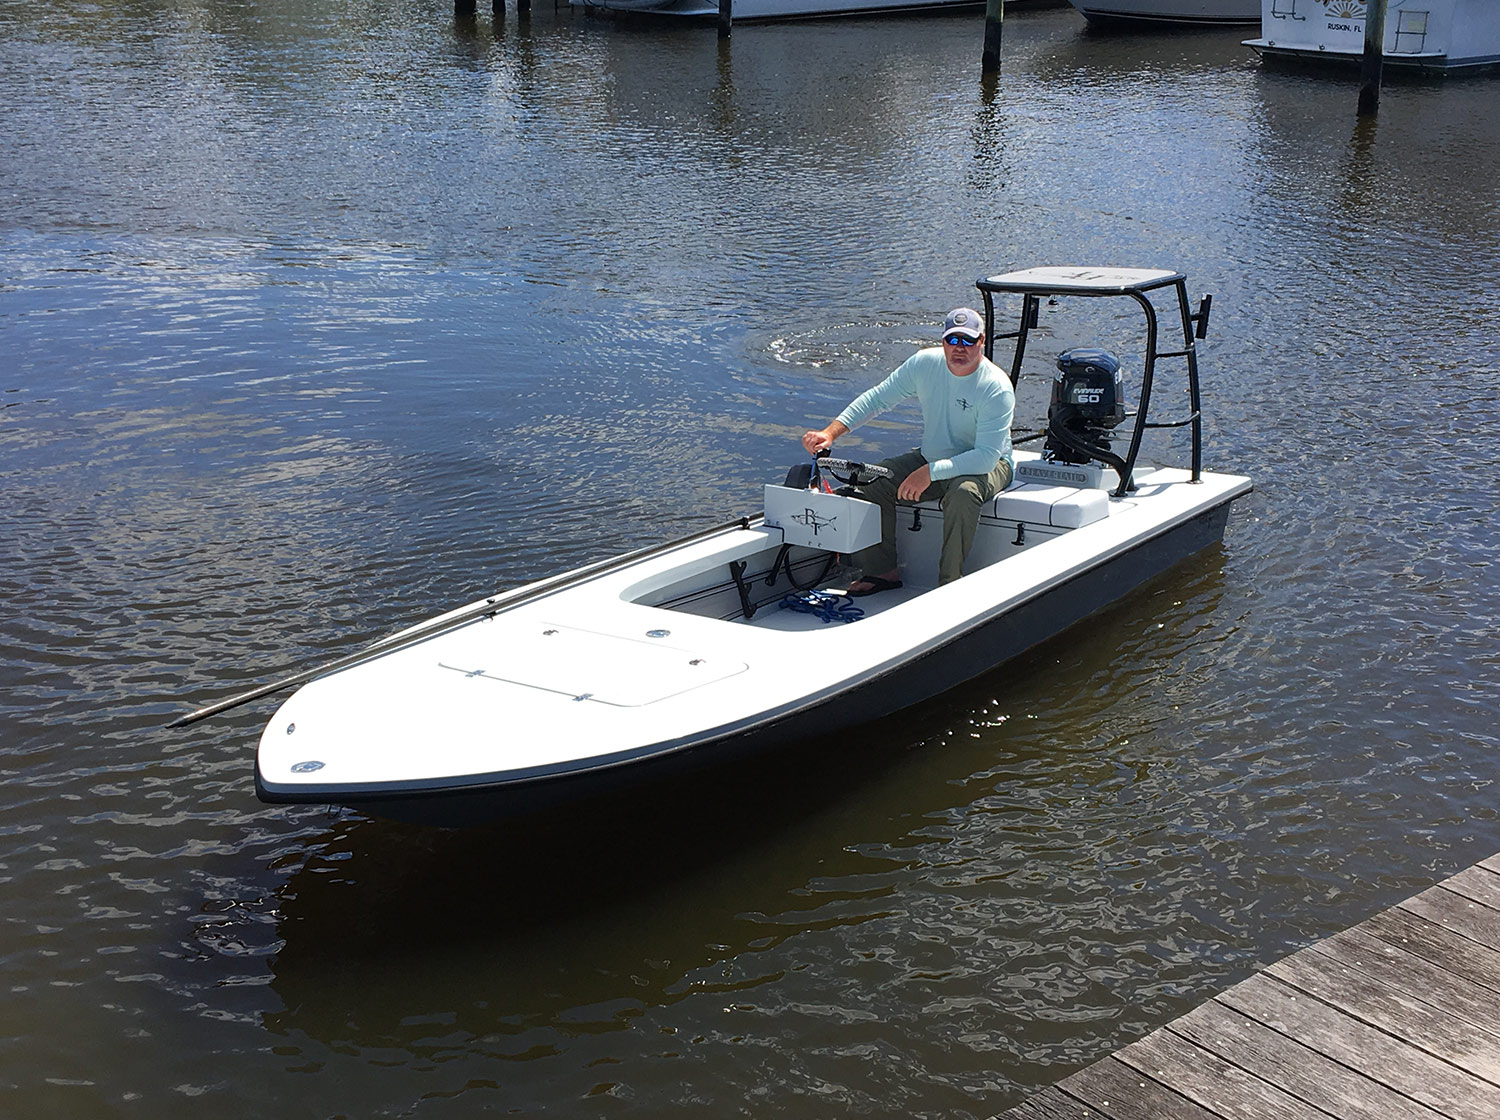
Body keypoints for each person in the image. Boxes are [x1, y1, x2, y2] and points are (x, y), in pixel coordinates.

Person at [801, 307, 1014, 595]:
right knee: (870, 485)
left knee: (962, 494)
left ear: (982, 342)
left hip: (989, 464)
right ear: (943, 342)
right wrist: (830, 433)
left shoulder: (996, 387)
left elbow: (987, 456)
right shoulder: (924, 364)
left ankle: (949, 584)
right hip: (932, 456)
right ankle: (882, 572)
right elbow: (878, 398)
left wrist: (930, 472)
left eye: (968, 340)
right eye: (953, 340)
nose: (959, 348)